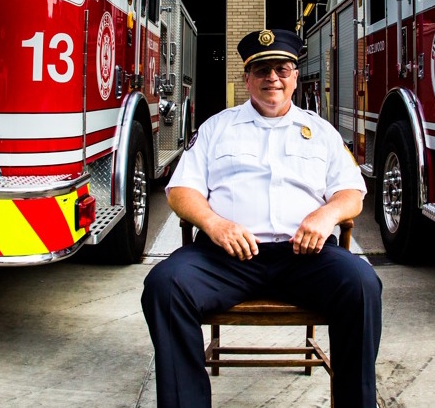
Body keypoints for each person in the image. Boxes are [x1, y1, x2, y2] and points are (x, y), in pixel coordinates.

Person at [142, 28, 383, 408]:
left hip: (305, 257)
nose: (273, 77)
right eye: (262, 69)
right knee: (165, 286)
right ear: (247, 78)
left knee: (362, 285)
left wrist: (326, 215)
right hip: (225, 257)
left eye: (282, 69)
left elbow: (351, 192)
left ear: (294, 76)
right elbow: (181, 190)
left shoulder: (321, 132)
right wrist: (215, 224)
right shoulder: (216, 128)